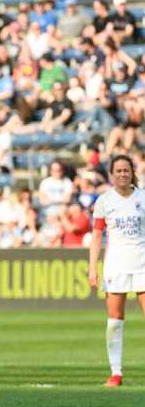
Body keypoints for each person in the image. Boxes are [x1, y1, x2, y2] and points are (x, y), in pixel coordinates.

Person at [89, 155, 145, 388]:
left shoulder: (142, 198)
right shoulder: (104, 201)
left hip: (142, 263)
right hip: (115, 266)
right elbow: (97, 236)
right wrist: (92, 267)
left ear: (132, 173)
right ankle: (116, 372)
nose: (123, 174)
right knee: (114, 321)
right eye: (119, 171)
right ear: (112, 175)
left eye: (126, 170)